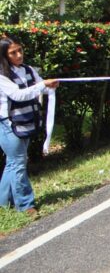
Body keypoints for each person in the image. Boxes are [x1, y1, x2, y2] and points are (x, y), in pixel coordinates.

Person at [0, 36, 59, 216]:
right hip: (8, 125)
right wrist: (42, 85)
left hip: (24, 122)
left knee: (13, 163)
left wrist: (51, 86)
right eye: (13, 53)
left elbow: (40, 88)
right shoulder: (2, 76)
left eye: (20, 50)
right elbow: (18, 95)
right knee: (18, 163)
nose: (19, 55)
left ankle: (3, 203)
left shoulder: (28, 70)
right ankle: (26, 205)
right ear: (4, 56)